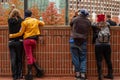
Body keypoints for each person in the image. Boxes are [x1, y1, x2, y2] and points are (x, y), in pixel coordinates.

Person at [9, 10, 45, 80]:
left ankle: (30, 74)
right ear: (31, 15)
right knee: (31, 55)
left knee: (28, 57)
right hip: (34, 40)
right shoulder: (35, 20)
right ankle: (39, 70)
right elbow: (43, 23)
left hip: (27, 41)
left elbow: (20, 33)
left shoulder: (24, 22)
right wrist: (40, 20)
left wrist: (12, 35)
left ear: (25, 15)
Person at [69, 9, 91, 80]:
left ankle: (77, 74)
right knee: (83, 58)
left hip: (73, 40)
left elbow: (71, 24)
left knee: (75, 57)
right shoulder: (88, 22)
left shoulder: (75, 19)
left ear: (80, 13)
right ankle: (83, 75)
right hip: (83, 41)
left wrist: (75, 15)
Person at [92, 14, 113, 80]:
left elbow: (91, 24)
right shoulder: (108, 24)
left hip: (98, 45)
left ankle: (100, 75)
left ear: (98, 19)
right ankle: (111, 74)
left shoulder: (95, 25)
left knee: (99, 60)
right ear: (104, 18)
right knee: (108, 60)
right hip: (107, 45)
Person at [8, 9, 23, 80]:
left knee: (13, 59)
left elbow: (9, 16)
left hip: (11, 42)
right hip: (19, 42)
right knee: (19, 59)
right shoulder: (21, 21)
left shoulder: (9, 21)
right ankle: (19, 75)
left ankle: (14, 75)